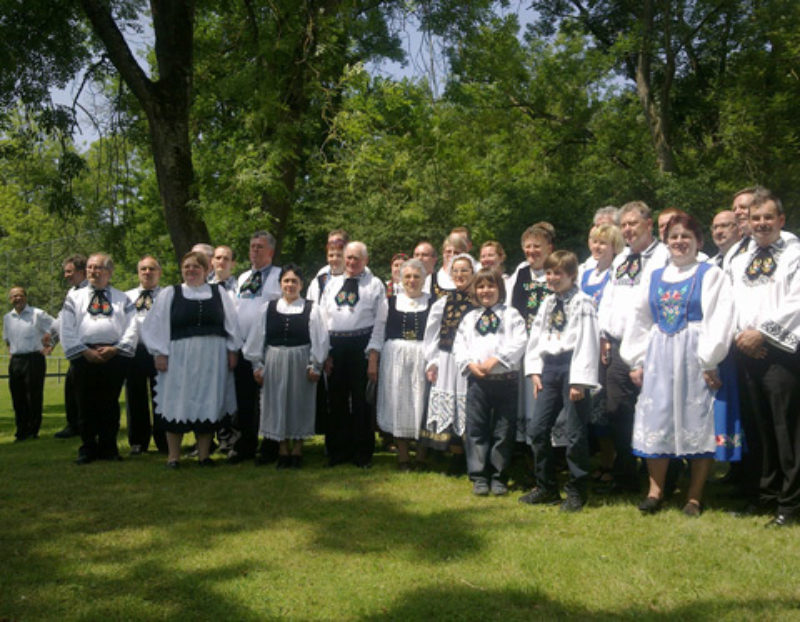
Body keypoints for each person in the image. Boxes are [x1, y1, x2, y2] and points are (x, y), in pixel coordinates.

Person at [622, 213, 735, 516]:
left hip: (694, 356)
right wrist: (636, 359)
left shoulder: (711, 274)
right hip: (659, 355)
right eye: (673, 236)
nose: (679, 242)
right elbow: (640, 318)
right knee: (657, 419)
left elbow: (719, 318)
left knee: (697, 420)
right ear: (666, 241)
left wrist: (710, 360)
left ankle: (694, 496)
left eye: (686, 236)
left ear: (699, 241)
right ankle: (655, 491)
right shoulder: (655, 275)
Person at [728, 190, 800, 527]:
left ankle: (791, 503)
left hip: (781, 353)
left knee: (787, 432)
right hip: (746, 349)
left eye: (768, 217)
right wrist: (741, 336)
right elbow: (731, 302)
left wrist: (764, 334)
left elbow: (795, 302)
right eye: (755, 218)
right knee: (757, 431)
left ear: (781, 220)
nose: (761, 224)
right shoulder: (741, 258)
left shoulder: (794, 253)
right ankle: (765, 496)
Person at [597, 201, 670, 493]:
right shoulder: (620, 259)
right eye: (623, 225)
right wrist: (604, 335)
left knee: (657, 412)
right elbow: (609, 299)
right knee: (617, 410)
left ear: (649, 224)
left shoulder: (663, 256)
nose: (627, 230)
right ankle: (626, 475)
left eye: (633, 223)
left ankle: (667, 477)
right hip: (617, 346)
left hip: (652, 346)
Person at [142, 251, 240, 468]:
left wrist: (233, 350)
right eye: (186, 266)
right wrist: (159, 352)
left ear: (207, 270)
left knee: (208, 399)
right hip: (180, 357)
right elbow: (154, 324)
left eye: (196, 267)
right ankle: (173, 456)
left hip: (212, 357)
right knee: (176, 400)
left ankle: (204, 455)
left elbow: (232, 323)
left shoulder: (219, 293)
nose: (190, 270)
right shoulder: (171, 293)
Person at [521, 251, 600, 512]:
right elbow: (537, 336)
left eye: (558, 273)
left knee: (575, 433)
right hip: (550, 368)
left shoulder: (583, 302)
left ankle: (577, 489)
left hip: (573, 367)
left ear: (572, 275)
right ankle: (546, 486)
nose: (552, 278)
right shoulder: (548, 302)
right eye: (549, 273)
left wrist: (579, 381)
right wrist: (534, 370)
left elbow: (588, 341)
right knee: (537, 428)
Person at [243, 264, 328, 469]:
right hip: (274, 360)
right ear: (280, 284)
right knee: (276, 404)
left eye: (294, 281)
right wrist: (257, 365)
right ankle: (282, 449)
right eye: (286, 281)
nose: (290, 285)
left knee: (300, 404)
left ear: (301, 284)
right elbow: (256, 338)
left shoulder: (312, 308)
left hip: (301, 360)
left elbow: (320, 339)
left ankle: (298, 449)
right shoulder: (268, 308)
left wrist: (315, 365)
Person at [455, 268, 527, 495]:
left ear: (500, 289)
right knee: (477, 429)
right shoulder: (470, 318)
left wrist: (496, 360)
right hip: (478, 382)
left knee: (503, 430)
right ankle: (479, 476)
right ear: (475, 291)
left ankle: (499, 476)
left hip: (505, 380)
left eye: (491, 286)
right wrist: (470, 364)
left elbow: (519, 341)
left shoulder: (511, 315)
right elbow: (459, 345)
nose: (486, 291)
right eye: (481, 287)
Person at [60, 253, 138, 464]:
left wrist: (117, 349)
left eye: (98, 268)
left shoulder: (123, 298)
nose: (93, 271)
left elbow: (132, 326)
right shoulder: (74, 297)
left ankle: (108, 446)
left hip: (114, 357)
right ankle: (87, 447)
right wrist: (84, 351)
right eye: (90, 268)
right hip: (84, 356)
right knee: (84, 403)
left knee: (110, 403)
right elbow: (66, 327)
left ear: (109, 272)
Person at [320, 241, 386, 468]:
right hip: (336, 345)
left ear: (365, 260)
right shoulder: (332, 283)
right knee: (336, 400)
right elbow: (322, 318)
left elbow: (380, 321)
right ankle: (338, 452)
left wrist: (373, 355)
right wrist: (325, 352)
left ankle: (362, 453)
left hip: (362, 345)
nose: (351, 262)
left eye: (356, 258)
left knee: (361, 401)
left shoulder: (374, 284)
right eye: (348, 257)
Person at [370, 258, 431, 469]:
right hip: (395, 359)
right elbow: (378, 333)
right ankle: (403, 456)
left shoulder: (433, 303)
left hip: (422, 358)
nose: (412, 280)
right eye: (408, 276)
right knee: (398, 404)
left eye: (416, 276)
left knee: (421, 405)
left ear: (424, 279)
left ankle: (422, 457)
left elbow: (436, 337)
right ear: (400, 278)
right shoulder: (389, 302)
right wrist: (373, 360)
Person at [229, 230, 282, 464]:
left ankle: (271, 446)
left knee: (269, 398)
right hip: (243, 346)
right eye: (252, 246)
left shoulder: (280, 275)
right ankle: (245, 445)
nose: (254, 251)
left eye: (259, 247)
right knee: (245, 399)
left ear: (270, 251)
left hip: (269, 347)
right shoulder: (242, 278)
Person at [420, 254, 475, 469]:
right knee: (446, 404)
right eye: (456, 271)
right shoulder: (443, 301)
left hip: (467, 362)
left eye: (465, 270)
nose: (460, 275)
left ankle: (465, 454)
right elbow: (431, 333)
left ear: (473, 273)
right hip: (445, 357)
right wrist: (432, 361)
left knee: (466, 403)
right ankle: (446, 453)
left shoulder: (478, 300)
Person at [579, 224, 625, 484]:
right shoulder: (586, 273)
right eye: (594, 242)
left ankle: (615, 462)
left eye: (603, 243)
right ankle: (604, 459)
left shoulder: (616, 273)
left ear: (615, 246)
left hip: (605, 347)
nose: (597, 247)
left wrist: (605, 338)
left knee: (608, 408)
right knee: (593, 410)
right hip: (586, 346)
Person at [506, 222, 555, 442]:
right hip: (523, 345)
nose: (531, 251)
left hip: (548, 346)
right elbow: (508, 307)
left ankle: (551, 448)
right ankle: (525, 447)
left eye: (537, 246)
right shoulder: (520, 271)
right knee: (524, 398)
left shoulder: (556, 271)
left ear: (549, 248)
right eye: (527, 246)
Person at [124, 255, 167, 455]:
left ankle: (163, 440)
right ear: (138, 272)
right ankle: (138, 441)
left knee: (161, 396)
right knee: (135, 397)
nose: (147, 273)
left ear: (159, 272)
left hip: (159, 351)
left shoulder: (168, 295)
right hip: (135, 351)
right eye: (143, 269)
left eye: (152, 269)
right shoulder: (127, 297)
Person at [3, 287, 55, 441]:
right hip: (16, 360)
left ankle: (33, 431)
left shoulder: (37, 314)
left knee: (33, 396)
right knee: (17, 397)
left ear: (25, 297)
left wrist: (50, 345)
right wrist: (11, 353)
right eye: (13, 296)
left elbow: (56, 326)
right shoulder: (7, 317)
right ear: (10, 299)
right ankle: (21, 431)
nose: (17, 298)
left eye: (20, 295)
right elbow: (7, 339)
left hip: (34, 359)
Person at [52, 254, 87, 439]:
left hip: (85, 349)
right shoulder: (72, 292)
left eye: (69, 271)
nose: (65, 275)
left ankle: (81, 425)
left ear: (81, 272)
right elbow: (62, 318)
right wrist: (51, 337)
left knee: (82, 391)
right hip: (73, 351)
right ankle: (74, 424)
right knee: (72, 389)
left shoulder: (90, 291)